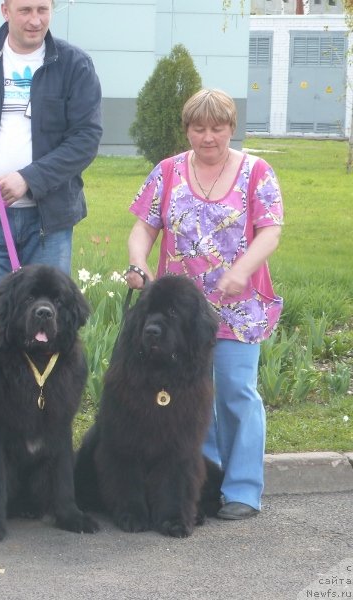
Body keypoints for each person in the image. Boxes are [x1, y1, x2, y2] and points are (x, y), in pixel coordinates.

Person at [125, 88, 284, 520]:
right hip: (180, 314)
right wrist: (138, 262)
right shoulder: (168, 172)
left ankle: (243, 490)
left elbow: (270, 231)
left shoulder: (257, 172)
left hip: (238, 305)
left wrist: (241, 271)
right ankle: (205, 484)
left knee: (235, 394)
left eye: (217, 128)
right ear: (187, 130)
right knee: (193, 397)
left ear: (231, 128)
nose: (208, 137)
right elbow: (143, 228)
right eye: (199, 128)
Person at [0, 0, 102, 330]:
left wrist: (29, 179)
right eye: (25, 10)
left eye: (43, 10)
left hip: (49, 224)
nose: (35, 20)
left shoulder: (74, 65)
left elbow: (86, 138)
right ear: (5, 10)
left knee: (48, 329)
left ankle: (43, 385)